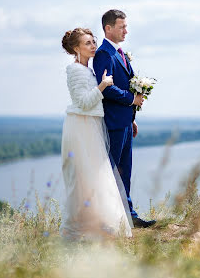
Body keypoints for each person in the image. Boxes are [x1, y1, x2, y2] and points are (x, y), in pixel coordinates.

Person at [59, 27, 133, 240]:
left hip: (90, 126)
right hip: (80, 128)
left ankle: (97, 222)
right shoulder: (74, 70)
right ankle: (75, 227)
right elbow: (82, 102)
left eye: (93, 41)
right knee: (82, 176)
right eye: (88, 43)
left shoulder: (88, 69)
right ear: (76, 48)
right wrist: (102, 85)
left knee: (95, 176)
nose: (93, 46)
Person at [93, 9, 156, 228]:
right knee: (111, 172)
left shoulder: (120, 53)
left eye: (126, 26)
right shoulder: (103, 54)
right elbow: (106, 89)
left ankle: (128, 215)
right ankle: (109, 218)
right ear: (108, 28)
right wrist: (132, 100)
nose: (126, 31)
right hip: (113, 123)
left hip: (125, 122)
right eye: (122, 27)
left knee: (124, 171)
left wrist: (131, 118)